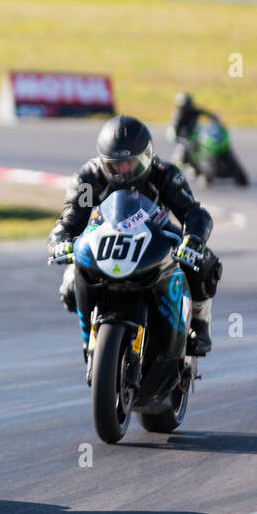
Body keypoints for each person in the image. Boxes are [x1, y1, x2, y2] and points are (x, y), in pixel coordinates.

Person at [49, 114, 221, 356]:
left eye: (130, 164)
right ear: (102, 161)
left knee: (204, 263)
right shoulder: (89, 178)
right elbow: (71, 217)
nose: (122, 172)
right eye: (114, 166)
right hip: (104, 243)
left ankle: (199, 325)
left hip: (155, 238)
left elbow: (193, 213)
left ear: (147, 156)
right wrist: (60, 241)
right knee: (69, 288)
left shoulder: (166, 174)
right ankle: (91, 340)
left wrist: (193, 240)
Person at [167, 91, 221, 167]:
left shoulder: (193, 110)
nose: (188, 105)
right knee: (182, 151)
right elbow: (175, 128)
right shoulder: (178, 114)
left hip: (193, 135)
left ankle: (203, 164)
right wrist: (179, 137)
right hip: (182, 137)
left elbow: (204, 112)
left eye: (189, 103)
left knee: (201, 146)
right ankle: (178, 166)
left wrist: (213, 116)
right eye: (187, 103)